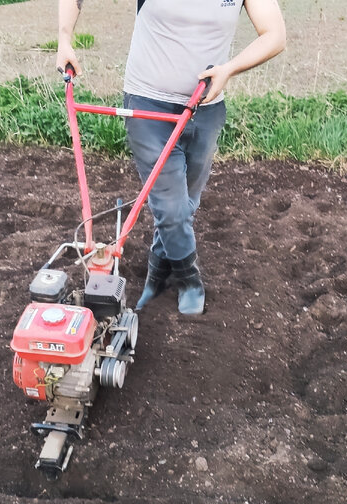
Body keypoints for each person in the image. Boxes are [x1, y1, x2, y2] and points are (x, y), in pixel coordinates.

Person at [56, 0, 285, 315]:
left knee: (185, 204)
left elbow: (274, 34)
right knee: (172, 207)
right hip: (148, 107)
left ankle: (157, 270)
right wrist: (65, 39)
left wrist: (229, 69)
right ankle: (190, 281)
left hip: (205, 110)